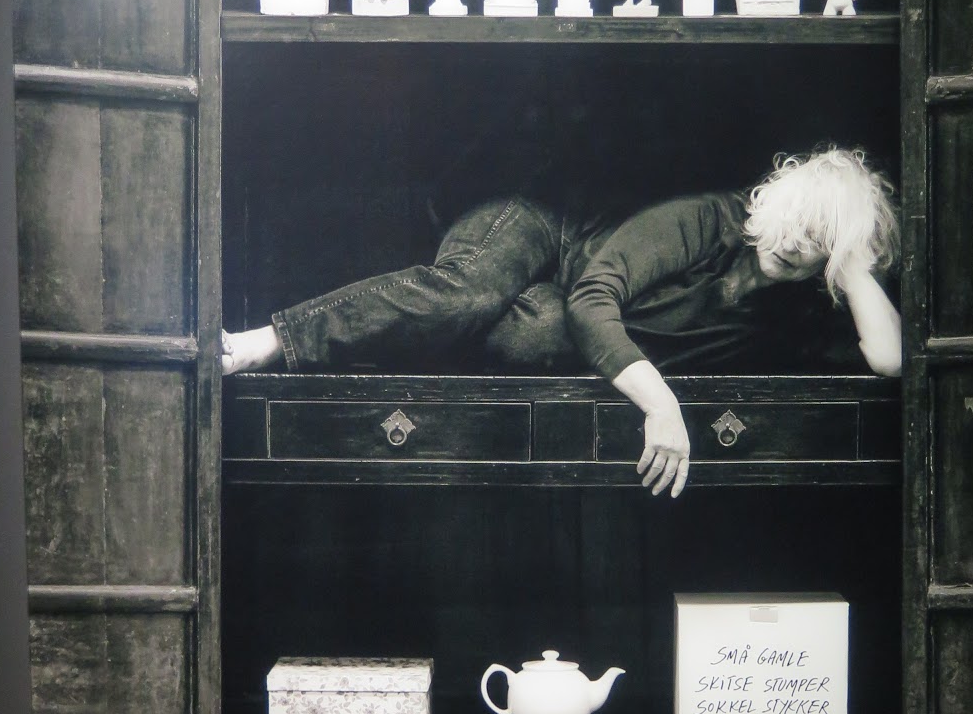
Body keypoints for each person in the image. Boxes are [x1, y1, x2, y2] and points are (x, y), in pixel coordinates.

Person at [223, 147, 901, 497]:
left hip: (565, 315)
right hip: (541, 233)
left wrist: (854, 268)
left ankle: (408, 329)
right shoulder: (709, 220)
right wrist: (661, 404)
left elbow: (891, 359)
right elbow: (595, 296)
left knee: (534, 336)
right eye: (794, 222)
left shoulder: (794, 307)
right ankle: (273, 340)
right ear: (772, 205)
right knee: (467, 295)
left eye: (818, 239)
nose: (794, 244)